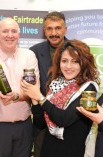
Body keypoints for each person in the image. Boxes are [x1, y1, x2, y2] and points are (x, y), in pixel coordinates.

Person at [21, 39, 100, 157]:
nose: (68, 66)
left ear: (84, 63)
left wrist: (40, 97)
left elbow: (64, 119)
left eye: (75, 62)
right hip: (49, 147)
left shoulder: (88, 88)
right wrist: (34, 100)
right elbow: (40, 123)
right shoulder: (55, 84)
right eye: (64, 61)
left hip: (72, 150)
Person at [0, 17, 39, 157]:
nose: (10, 35)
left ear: (19, 35)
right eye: (5, 31)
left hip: (24, 126)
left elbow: (34, 91)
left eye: (14, 31)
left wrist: (16, 96)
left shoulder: (29, 56)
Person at [29, 11, 68, 157]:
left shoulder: (77, 51)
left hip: (68, 120)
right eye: (49, 29)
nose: (54, 33)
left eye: (58, 28)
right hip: (41, 123)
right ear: (44, 31)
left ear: (65, 29)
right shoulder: (34, 52)